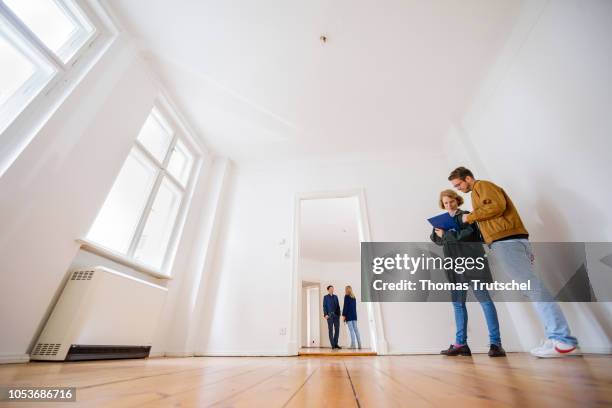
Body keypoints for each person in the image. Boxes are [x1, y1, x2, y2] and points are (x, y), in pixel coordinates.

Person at [448, 166, 580, 358]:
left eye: (458, 184)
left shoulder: (481, 185)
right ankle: (555, 338)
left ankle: (562, 339)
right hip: (511, 241)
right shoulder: (478, 190)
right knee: (531, 288)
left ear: (468, 178)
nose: (458, 188)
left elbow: (496, 206)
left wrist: (470, 217)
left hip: (506, 242)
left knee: (533, 288)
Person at [430, 189, 506, 357]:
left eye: (451, 201)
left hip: (472, 264)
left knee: (484, 300)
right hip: (454, 266)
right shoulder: (441, 221)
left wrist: (447, 235)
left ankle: (496, 344)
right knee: (458, 305)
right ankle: (461, 344)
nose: (449, 205)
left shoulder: (467, 216)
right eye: (446, 203)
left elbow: (467, 235)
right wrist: (443, 234)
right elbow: (437, 239)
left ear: (458, 200)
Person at [323, 285, 341, 349]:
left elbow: (338, 306)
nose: (332, 290)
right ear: (328, 290)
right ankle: (333, 345)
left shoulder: (336, 297)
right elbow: (324, 306)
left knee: (337, 330)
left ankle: (336, 344)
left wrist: (339, 314)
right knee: (330, 330)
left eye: (333, 289)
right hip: (329, 316)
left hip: (336, 316)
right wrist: (325, 314)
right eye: (330, 289)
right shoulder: (325, 297)